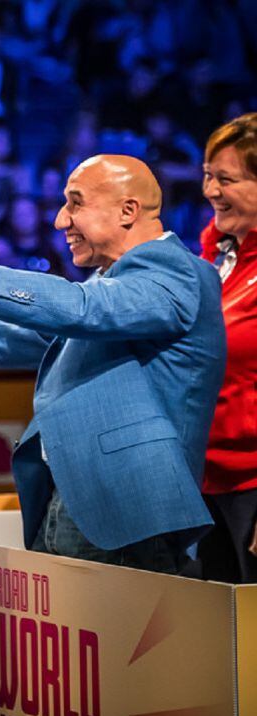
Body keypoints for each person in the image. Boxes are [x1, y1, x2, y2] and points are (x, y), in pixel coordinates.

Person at [0, 155, 225, 574]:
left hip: (123, 508)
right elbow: (15, 337)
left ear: (128, 210)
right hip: (73, 499)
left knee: (118, 641)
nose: (59, 220)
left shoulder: (179, 272)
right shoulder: (111, 287)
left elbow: (85, 307)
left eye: (75, 203)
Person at [197, 113, 257, 583]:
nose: (211, 191)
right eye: (207, 176)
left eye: (227, 179)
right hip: (204, 483)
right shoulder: (215, 254)